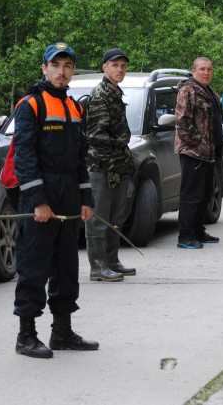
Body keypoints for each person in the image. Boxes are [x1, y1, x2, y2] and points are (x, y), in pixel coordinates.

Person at [13, 42, 97, 359]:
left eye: (68, 66)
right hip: (40, 196)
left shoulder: (75, 107)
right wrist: (37, 201)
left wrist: (85, 198)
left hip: (69, 197)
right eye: (56, 65)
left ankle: (61, 332)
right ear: (44, 68)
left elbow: (80, 159)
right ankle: (26, 335)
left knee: (66, 268)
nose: (62, 72)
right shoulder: (31, 105)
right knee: (33, 267)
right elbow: (24, 157)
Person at [85, 48, 135, 282]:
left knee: (116, 216)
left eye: (123, 66)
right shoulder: (100, 94)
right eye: (115, 65)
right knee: (99, 218)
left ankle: (112, 260)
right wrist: (120, 143)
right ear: (105, 67)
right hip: (102, 166)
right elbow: (96, 135)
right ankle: (97, 267)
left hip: (118, 165)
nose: (120, 69)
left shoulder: (115, 93)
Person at [174, 57, 223, 247]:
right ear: (193, 70)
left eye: (209, 69)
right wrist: (198, 143)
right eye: (202, 69)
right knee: (191, 195)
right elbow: (183, 123)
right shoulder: (187, 91)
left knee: (205, 194)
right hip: (193, 152)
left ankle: (198, 231)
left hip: (208, 153)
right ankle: (185, 236)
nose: (206, 72)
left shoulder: (208, 91)